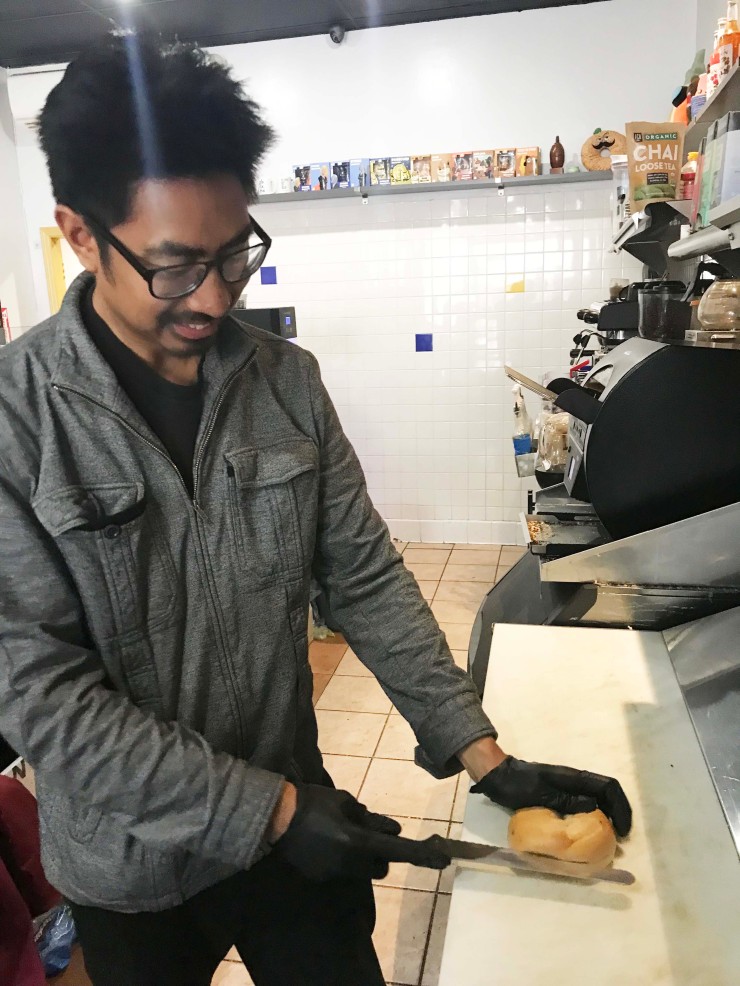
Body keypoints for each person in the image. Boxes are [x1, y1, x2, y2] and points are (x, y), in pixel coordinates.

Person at [0, 32, 632, 986]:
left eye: (234, 253)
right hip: (133, 867)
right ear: (81, 234)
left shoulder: (285, 383)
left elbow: (365, 576)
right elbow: (44, 701)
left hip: (295, 826)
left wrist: (481, 752)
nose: (215, 297)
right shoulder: (16, 420)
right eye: (175, 265)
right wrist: (272, 813)